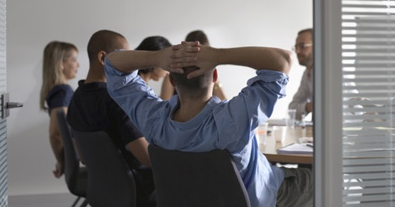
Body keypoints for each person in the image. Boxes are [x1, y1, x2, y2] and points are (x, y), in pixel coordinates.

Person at [105, 41, 313, 207]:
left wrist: (158, 57)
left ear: (172, 81)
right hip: (263, 196)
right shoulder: (234, 117)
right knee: (324, 177)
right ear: (215, 75)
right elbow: (283, 59)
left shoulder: (154, 121)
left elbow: (112, 63)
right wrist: (219, 56)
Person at [66, 30, 156, 206]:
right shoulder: (115, 101)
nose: (129, 65)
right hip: (139, 188)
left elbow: (84, 158)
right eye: (124, 57)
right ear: (103, 58)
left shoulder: (76, 99)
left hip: (105, 189)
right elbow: (147, 157)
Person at [39, 41, 80, 178]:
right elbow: (55, 134)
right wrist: (62, 161)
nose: (78, 65)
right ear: (61, 64)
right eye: (74, 59)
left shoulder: (56, 91)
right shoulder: (63, 91)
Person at [160, 30, 227, 100]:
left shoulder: (210, 75)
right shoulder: (173, 74)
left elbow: (225, 104)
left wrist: (214, 80)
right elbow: (165, 107)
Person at [289, 28, 313, 120]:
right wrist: (309, 106)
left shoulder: (331, 73)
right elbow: (292, 109)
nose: (297, 52)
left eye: (302, 46)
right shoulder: (307, 74)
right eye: (296, 47)